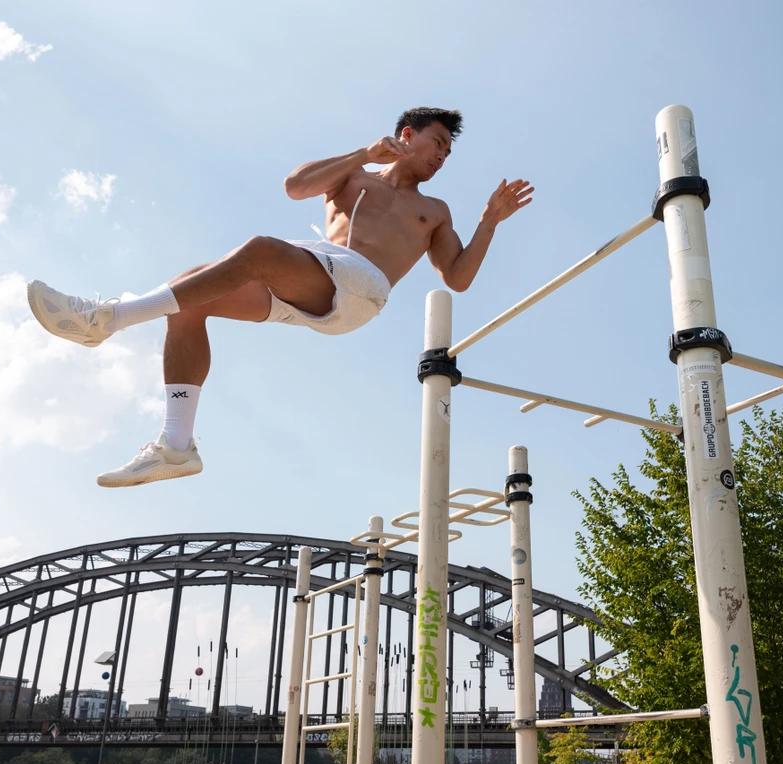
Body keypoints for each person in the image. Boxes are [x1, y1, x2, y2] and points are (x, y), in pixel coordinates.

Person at [26, 107, 533, 487]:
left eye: (447, 153)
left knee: (261, 250)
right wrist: (363, 154)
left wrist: (489, 221)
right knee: (191, 293)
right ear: (406, 135)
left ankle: (107, 318)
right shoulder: (353, 176)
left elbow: (458, 277)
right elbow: (295, 186)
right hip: (314, 285)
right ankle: (176, 446)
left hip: (363, 287)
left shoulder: (435, 210)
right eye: (437, 143)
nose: (441, 157)